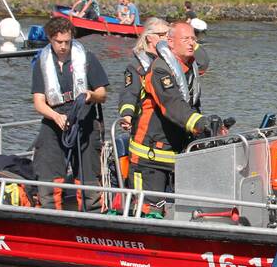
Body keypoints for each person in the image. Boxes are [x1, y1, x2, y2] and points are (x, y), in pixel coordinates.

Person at [128, 21, 227, 209]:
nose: (191, 43)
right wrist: (200, 123)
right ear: (170, 42)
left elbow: (192, 106)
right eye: (186, 39)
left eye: (193, 39)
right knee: (148, 212)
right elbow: (172, 105)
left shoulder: (190, 69)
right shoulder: (160, 70)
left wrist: (211, 128)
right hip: (149, 158)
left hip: (175, 155)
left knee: (181, 209)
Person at [31, 17, 109, 210]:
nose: (64, 46)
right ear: (50, 39)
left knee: (88, 172)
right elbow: (39, 102)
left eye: (67, 42)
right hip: (54, 120)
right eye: (59, 42)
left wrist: (91, 95)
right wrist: (55, 116)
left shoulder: (87, 59)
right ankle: (49, 214)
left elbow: (103, 94)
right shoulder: (42, 63)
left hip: (84, 121)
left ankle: (93, 214)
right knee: (47, 168)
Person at [119, 17, 171, 132]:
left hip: (169, 121)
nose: (167, 39)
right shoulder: (137, 66)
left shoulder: (171, 61)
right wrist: (127, 115)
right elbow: (129, 92)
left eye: (168, 35)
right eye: (162, 35)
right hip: (147, 125)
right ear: (149, 38)